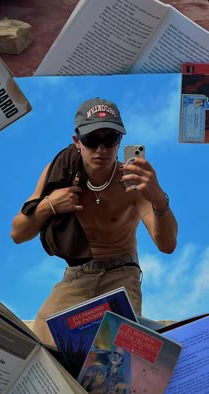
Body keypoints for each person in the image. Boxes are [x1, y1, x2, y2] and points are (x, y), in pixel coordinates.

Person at [11, 97, 178, 347]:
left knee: (112, 358)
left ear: (120, 140)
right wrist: (50, 204)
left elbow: (167, 244)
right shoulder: (60, 173)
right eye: (91, 140)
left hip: (121, 274)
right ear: (77, 142)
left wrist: (158, 197)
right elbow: (18, 234)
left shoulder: (132, 181)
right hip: (77, 275)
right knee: (44, 344)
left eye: (109, 139)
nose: (101, 149)